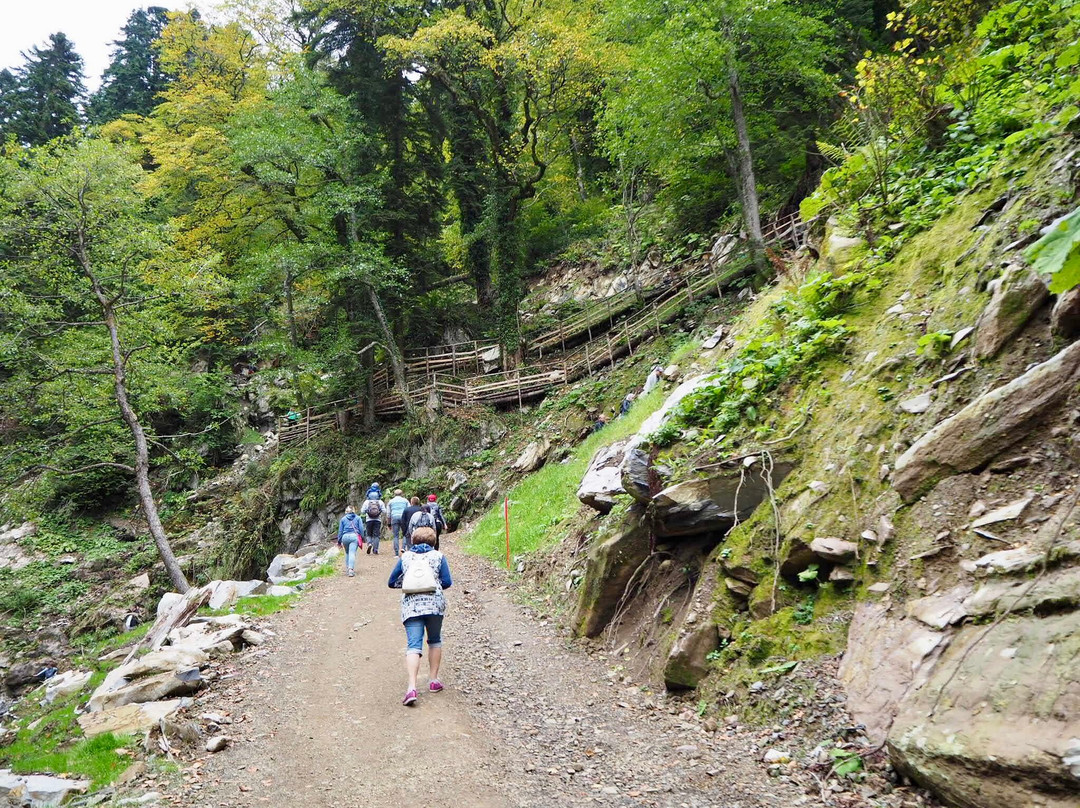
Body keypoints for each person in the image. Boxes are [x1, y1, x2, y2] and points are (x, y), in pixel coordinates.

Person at [388, 539, 452, 706]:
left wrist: (411, 584)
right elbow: (447, 582)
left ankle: (411, 687)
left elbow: (391, 582)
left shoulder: (406, 557)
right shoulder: (439, 556)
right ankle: (433, 681)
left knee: (413, 646)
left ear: (413, 540)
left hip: (412, 606)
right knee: (435, 641)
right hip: (434, 606)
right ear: (433, 541)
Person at [336, 505, 363, 577]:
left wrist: (339, 541)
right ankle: (351, 570)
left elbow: (340, 531)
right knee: (352, 553)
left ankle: (348, 568)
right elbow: (361, 529)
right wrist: (362, 537)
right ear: (354, 511)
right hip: (354, 537)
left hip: (345, 537)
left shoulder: (343, 519)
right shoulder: (358, 518)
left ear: (346, 512)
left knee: (347, 553)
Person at [360, 491, 387, 555]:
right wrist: (379, 511)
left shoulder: (367, 502)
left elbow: (362, 511)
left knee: (369, 534)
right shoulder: (380, 502)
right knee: (376, 535)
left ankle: (369, 543)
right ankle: (375, 550)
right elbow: (385, 511)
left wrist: (367, 511)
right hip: (377, 520)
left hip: (369, 520)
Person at [387, 489, 410, 556]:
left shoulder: (391, 501)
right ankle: (403, 548)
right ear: (402, 494)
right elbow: (408, 509)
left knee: (395, 536)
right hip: (403, 518)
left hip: (394, 517)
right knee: (405, 534)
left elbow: (388, 513)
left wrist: (389, 523)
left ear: (394, 494)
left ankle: (396, 553)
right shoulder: (405, 501)